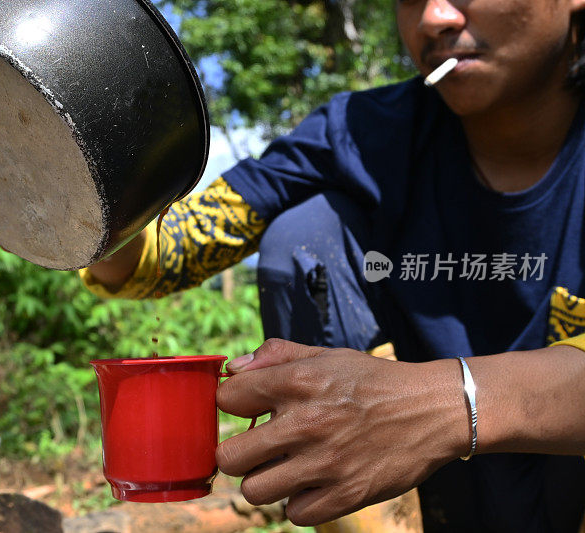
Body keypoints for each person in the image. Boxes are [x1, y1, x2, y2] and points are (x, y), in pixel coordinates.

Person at [80, 0, 585, 530]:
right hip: (428, 488)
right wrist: (86, 186)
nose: (436, 17)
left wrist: (451, 404)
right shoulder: (364, 135)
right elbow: (170, 249)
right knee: (305, 238)